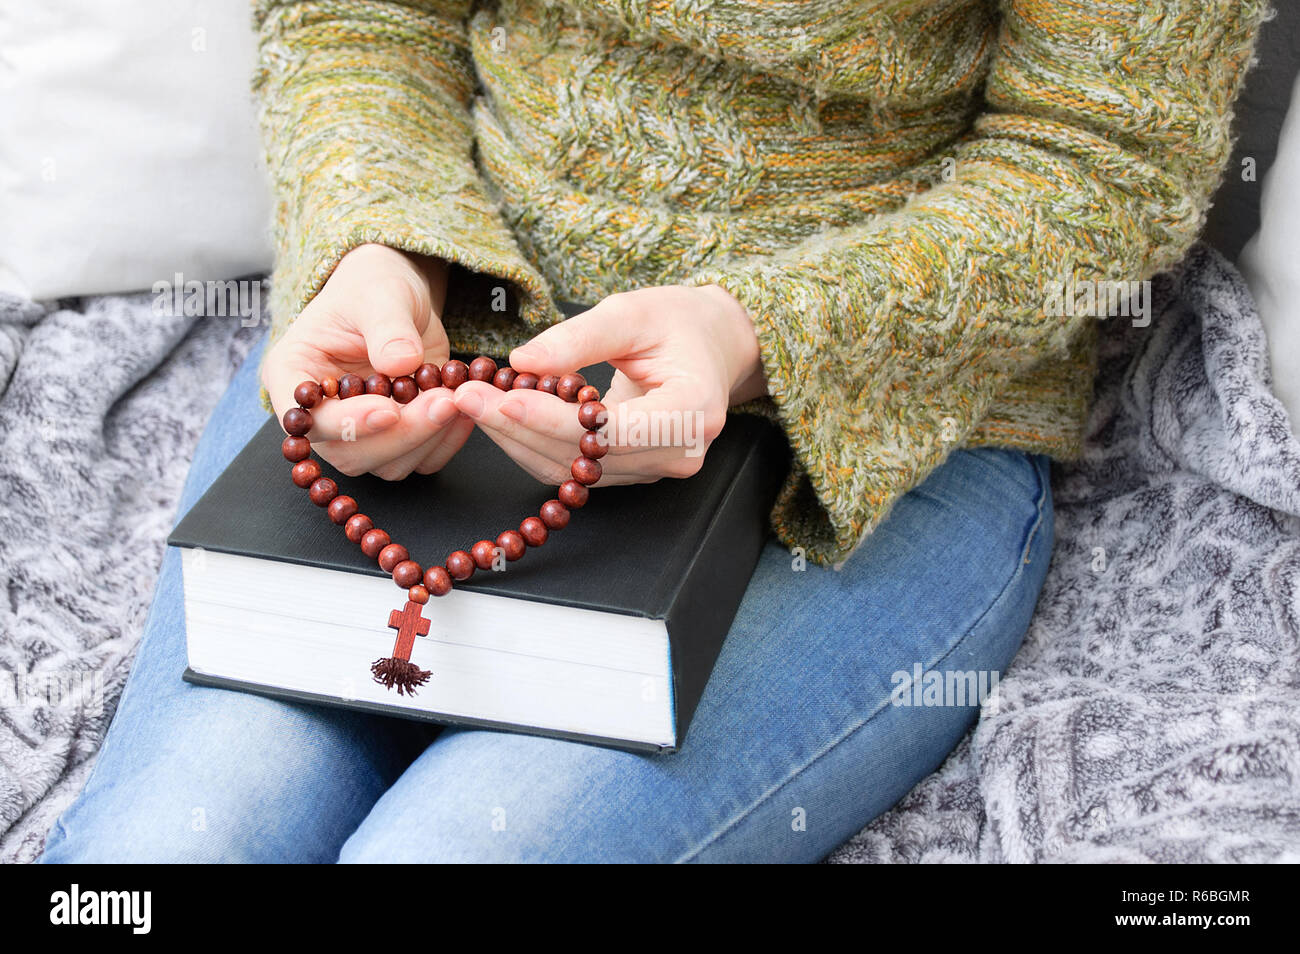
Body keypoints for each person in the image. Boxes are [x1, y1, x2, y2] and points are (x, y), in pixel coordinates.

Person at [43, 0, 1266, 862]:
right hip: (428, 353)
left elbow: (1104, 155)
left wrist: (756, 334)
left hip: (879, 421)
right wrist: (381, 246)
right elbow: (359, 16)